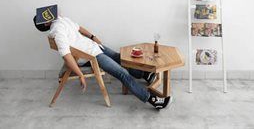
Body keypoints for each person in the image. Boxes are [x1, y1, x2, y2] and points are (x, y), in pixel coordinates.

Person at [33, 15, 172, 109]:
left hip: (95, 46)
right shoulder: (58, 32)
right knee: (123, 74)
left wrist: (93, 37)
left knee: (120, 57)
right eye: (46, 15)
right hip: (94, 55)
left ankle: (143, 74)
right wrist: (80, 74)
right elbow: (66, 55)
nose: (51, 13)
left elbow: (78, 27)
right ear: (45, 22)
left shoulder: (61, 20)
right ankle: (152, 100)